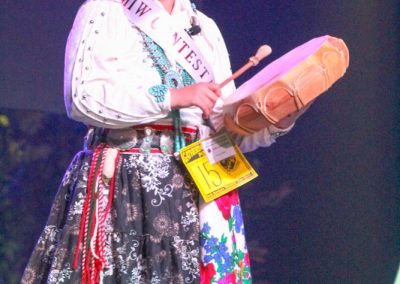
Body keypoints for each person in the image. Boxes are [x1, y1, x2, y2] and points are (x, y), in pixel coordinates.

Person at [22, 0, 303, 283]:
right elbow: (83, 98)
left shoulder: (204, 27)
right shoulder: (107, 10)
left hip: (201, 190)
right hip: (128, 185)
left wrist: (279, 118)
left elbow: (227, 130)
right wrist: (171, 97)